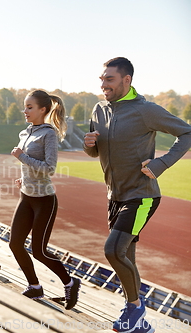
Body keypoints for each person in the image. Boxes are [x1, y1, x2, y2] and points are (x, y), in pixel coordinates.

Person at [84, 57, 191, 333]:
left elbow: (187, 133)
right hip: (114, 196)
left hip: (141, 195)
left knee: (113, 250)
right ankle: (139, 322)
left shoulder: (145, 110)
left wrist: (160, 164)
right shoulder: (98, 109)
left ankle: (135, 308)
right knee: (126, 257)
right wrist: (89, 146)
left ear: (126, 80)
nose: (103, 83)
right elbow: (96, 150)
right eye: (102, 78)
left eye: (109, 79)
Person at [10, 89, 81, 310]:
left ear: (43, 109)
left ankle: (70, 283)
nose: (25, 111)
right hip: (26, 197)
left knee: (39, 251)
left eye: (30, 107)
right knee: (15, 244)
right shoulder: (25, 133)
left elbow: (49, 168)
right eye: (25, 106)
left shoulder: (49, 134)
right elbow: (29, 166)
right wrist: (23, 178)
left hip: (44, 201)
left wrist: (22, 157)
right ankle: (35, 287)